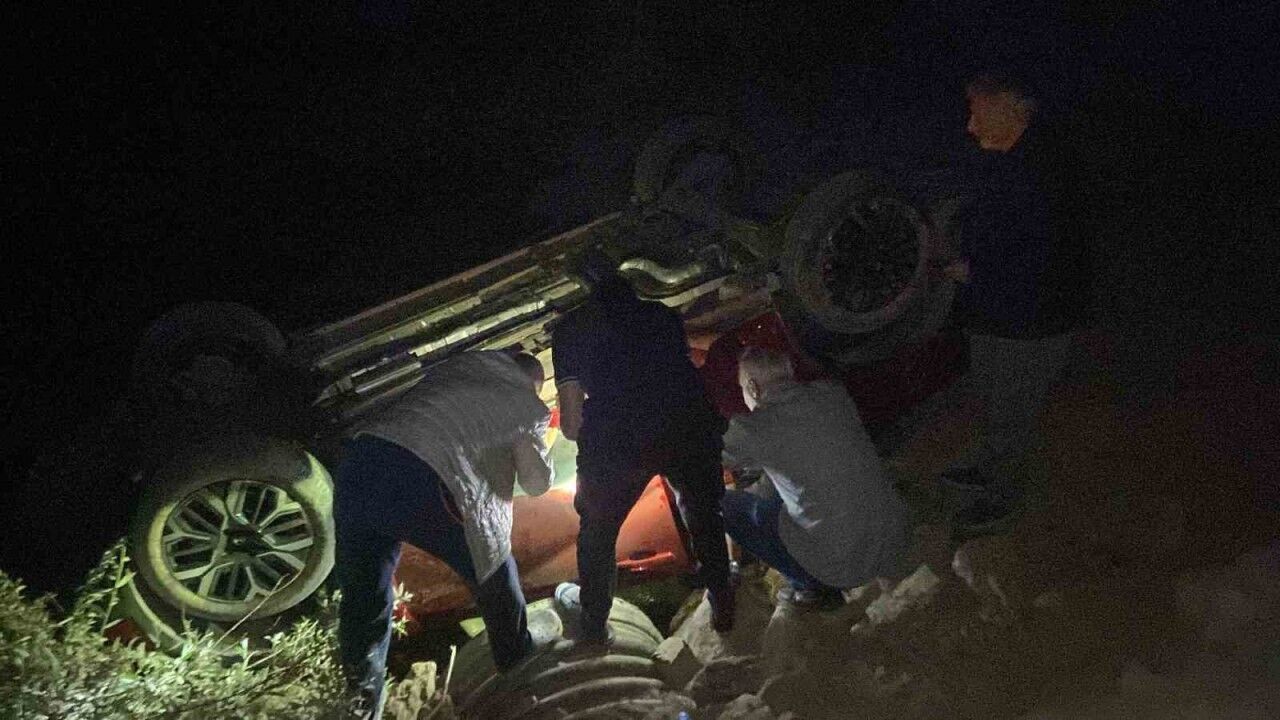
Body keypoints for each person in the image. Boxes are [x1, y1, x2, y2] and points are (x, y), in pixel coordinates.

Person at [334, 350, 553, 719]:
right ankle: (517, 661)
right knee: (495, 573)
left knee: (364, 598)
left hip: (361, 462)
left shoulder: (461, 367)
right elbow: (535, 483)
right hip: (427, 479)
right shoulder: (526, 402)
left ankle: (361, 703)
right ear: (533, 383)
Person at [552, 247, 735, 645]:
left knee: (598, 531)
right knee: (703, 511)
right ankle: (723, 601)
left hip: (618, 438)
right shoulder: (662, 315)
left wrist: (587, 439)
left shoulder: (570, 331)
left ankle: (594, 623)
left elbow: (571, 423)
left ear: (582, 286)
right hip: (686, 420)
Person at [940, 72, 1091, 529]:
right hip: (999, 315)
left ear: (1012, 108)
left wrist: (971, 272)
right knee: (993, 400)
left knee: (1012, 412)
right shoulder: (1008, 161)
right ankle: (986, 465)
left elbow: (1047, 257)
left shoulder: (1044, 173)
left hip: (1030, 324)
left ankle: (1001, 500)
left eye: (978, 113)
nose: (969, 126)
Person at [721, 345, 910, 608]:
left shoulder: (755, 427)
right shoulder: (833, 394)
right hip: (893, 541)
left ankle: (811, 587)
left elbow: (703, 458)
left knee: (725, 504)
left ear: (752, 387)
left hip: (844, 567)